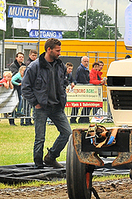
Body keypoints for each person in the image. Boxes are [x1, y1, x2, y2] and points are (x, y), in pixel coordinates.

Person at [21, 38, 72, 168]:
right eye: (57, 50)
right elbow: (25, 88)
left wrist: (63, 92)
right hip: (41, 107)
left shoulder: (60, 65)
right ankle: (38, 166)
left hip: (56, 106)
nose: (60, 53)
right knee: (40, 138)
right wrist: (35, 103)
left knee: (67, 133)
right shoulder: (34, 66)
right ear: (49, 50)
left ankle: (51, 157)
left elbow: (63, 81)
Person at [71, 56, 91, 124]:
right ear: (81, 62)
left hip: (83, 89)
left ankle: (83, 118)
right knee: (77, 105)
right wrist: (89, 83)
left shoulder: (85, 69)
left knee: (82, 105)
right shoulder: (81, 69)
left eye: (87, 61)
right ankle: (73, 119)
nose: (86, 63)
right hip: (80, 89)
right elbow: (83, 80)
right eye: (85, 61)